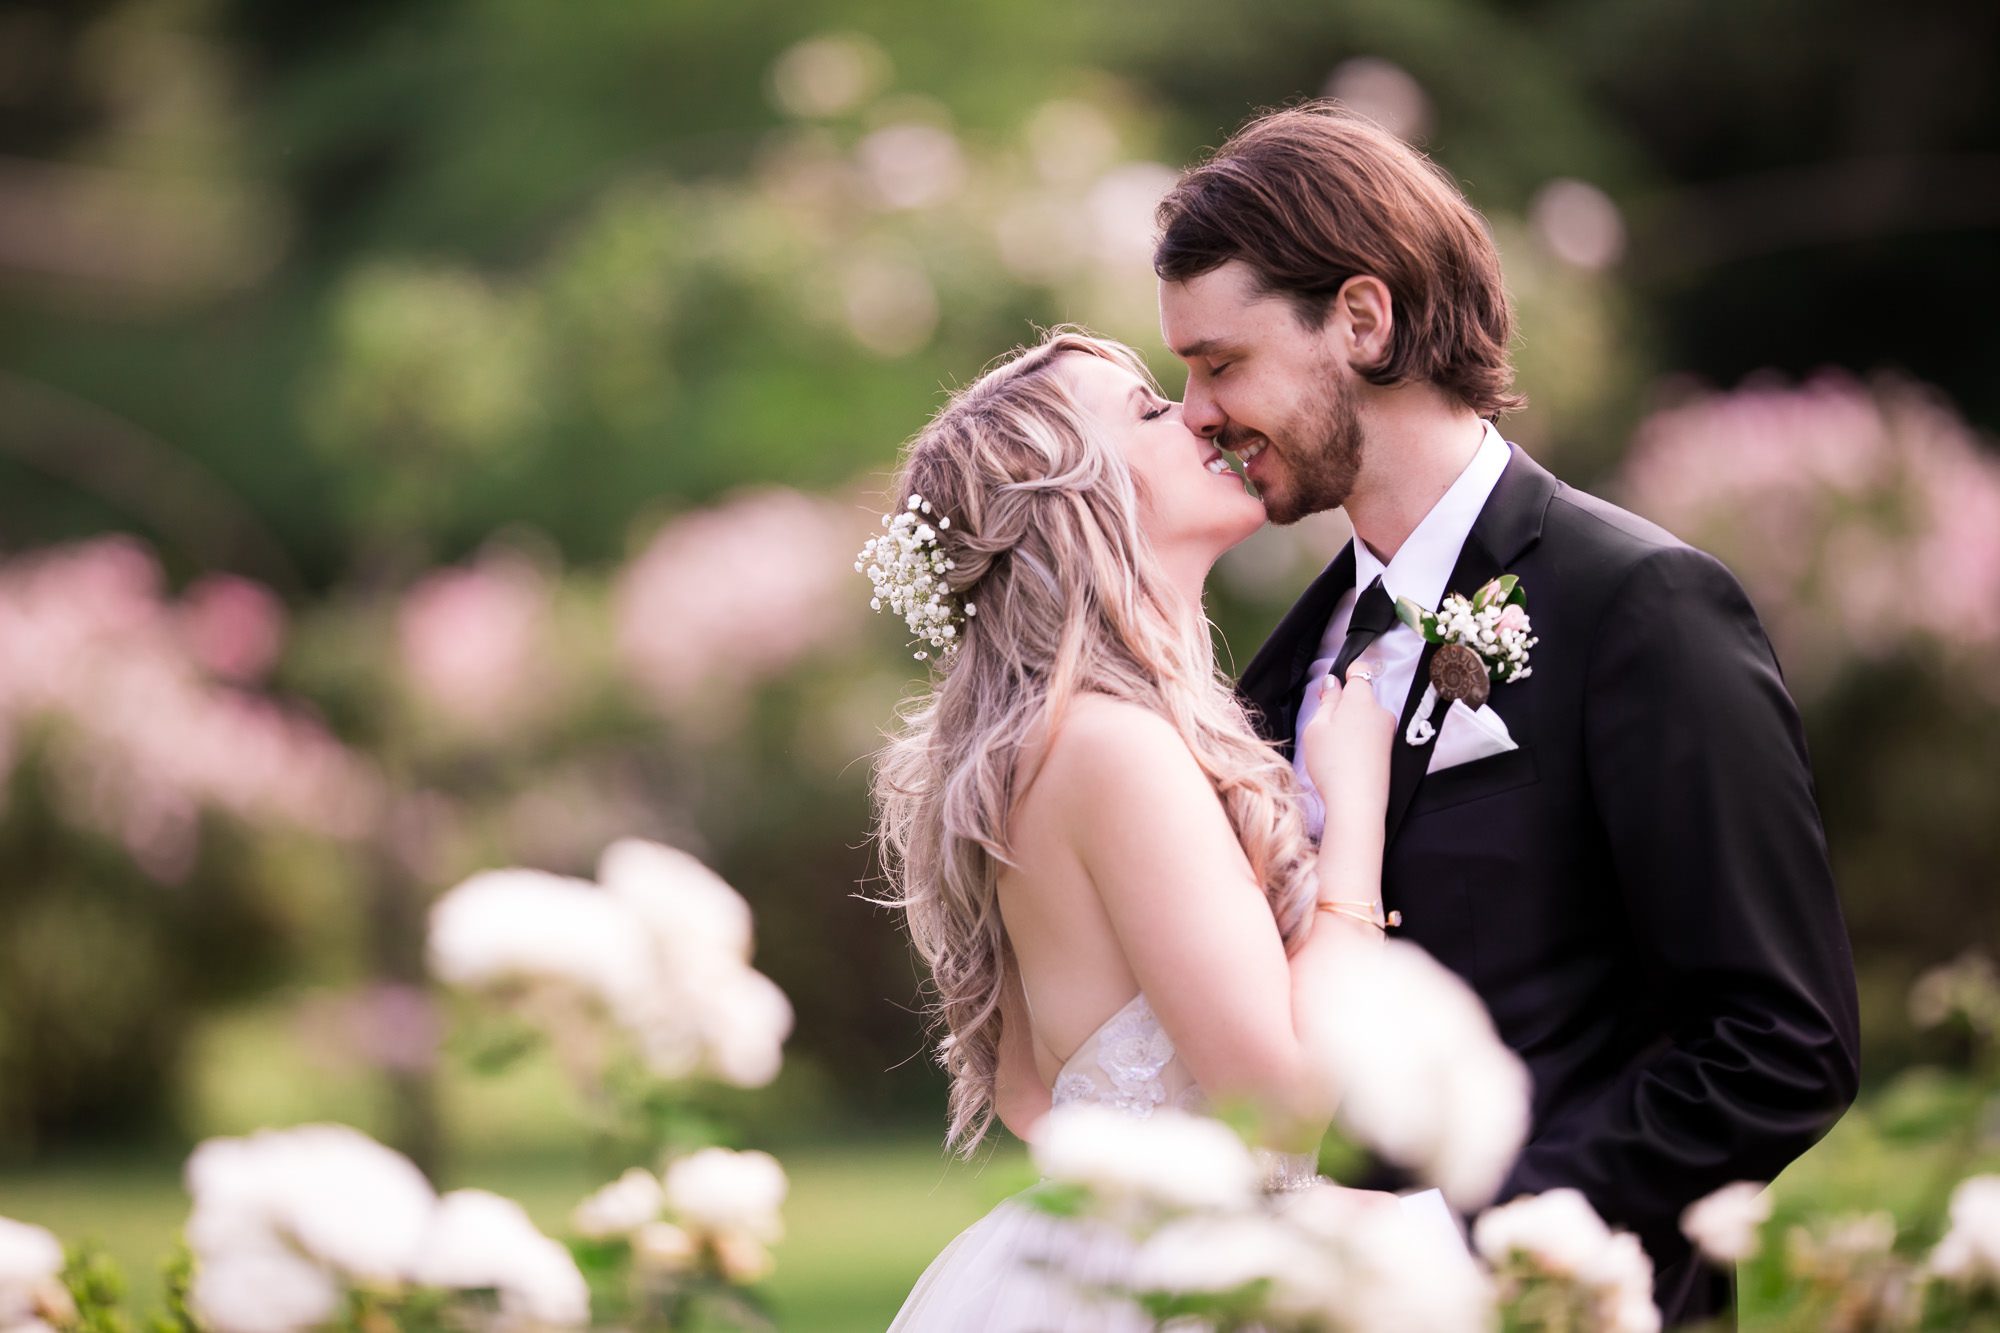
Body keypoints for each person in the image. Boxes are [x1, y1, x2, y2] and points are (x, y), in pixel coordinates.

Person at [1152, 102, 1862, 1325]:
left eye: (1219, 364)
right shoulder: (1273, 674)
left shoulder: (1640, 605)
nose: (1195, 413)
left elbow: (1777, 1045)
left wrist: (1468, 1240)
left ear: (1361, 320)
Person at [866, 328, 1409, 1331]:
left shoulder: (1038, 749)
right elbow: (1279, 1111)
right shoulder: (1115, 750)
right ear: (1078, 501)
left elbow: (1033, 1094)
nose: (1200, 414)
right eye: (1150, 412)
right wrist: (1358, 810)